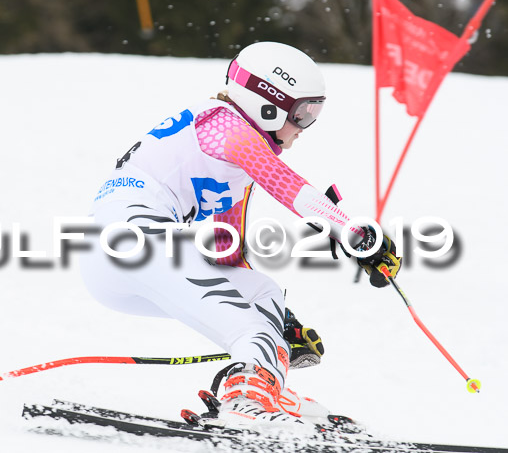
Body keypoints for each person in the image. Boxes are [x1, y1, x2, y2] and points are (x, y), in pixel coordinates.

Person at [79, 42, 401, 428]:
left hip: (119, 261)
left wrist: (280, 326)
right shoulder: (224, 124)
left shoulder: (232, 163)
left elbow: (225, 252)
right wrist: (352, 233)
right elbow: (286, 185)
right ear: (268, 103)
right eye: (302, 114)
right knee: (249, 325)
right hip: (137, 237)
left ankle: (265, 389)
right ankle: (247, 401)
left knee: (262, 293)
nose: (303, 129)